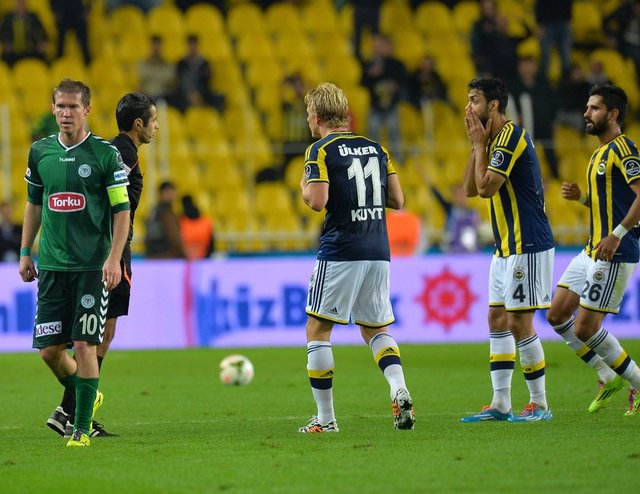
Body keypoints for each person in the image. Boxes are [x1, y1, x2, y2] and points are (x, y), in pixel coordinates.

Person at [19, 78, 130, 447]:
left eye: (73, 106)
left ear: (87, 110)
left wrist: (113, 259)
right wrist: (25, 251)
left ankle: (80, 429)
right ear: (53, 109)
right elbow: (34, 203)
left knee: (83, 344)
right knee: (50, 351)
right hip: (51, 266)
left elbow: (122, 211)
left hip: (90, 267)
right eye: (61, 106)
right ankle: (88, 395)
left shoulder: (104, 155)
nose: (66, 113)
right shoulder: (40, 152)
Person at [298, 82, 415, 433]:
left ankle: (326, 419)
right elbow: (398, 200)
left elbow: (317, 201)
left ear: (317, 116)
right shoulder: (377, 149)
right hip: (378, 250)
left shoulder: (319, 150)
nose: (308, 119)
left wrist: (303, 189)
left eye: (308, 114)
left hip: (341, 249)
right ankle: (399, 388)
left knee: (318, 330)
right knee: (376, 330)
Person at [46, 92, 159, 438]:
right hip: (110, 253)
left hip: (105, 250)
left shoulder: (115, 150)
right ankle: (71, 411)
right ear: (138, 124)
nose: (157, 127)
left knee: (98, 335)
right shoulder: (123, 154)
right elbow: (104, 199)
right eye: (154, 120)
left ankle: (66, 410)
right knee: (99, 336)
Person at [460, 78, 555, 423]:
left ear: (494, 105)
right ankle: (501, 403)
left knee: (519, 321)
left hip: (527, 244)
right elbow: (469, 189)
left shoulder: (511, 137)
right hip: (504, 248)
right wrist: (476, 146)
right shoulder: (489, 141)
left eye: (474, 100)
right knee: (497, 318)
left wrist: (480, 145)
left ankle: (539, 404)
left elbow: (486, 188)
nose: (468, 107)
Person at [546, 84, 640, 416]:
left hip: (615, 250)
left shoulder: (623, 149)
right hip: (592, 249)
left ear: (613, 114)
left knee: (585, 328)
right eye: (587, 107)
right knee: (557, 314)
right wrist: (582, 198)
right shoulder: (599, 152)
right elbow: (610, 204)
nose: (586, 113)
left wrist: (616, 235)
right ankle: (607, 374)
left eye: (594, 108)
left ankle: (636, 381)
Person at [509, 56, 559, 179]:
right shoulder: (514, 87)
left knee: (549, 152)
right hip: (524, 128)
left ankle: (555, 177)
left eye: (529, 65)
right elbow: (510, 108)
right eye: (524, 65)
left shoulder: (544, 84)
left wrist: (553, 120)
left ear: (535, 67)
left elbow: (553, 104)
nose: (527, 69)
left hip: (544, 126)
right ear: (519, 68)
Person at [360, 33, 408, 162]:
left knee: (394, 130)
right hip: (375, 105)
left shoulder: (396, 64)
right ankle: (373, 158)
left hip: (391, 105)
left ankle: (398, 159)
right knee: (373, 130)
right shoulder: (370, 63)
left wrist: (395, 86)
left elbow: (403, 80)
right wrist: (371, 75)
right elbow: (363, 82)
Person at [173, 34, 224, 113]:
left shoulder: (204, 63)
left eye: (194, 45)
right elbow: (180, 81)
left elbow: (207, 81)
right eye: (190, 45)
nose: (192, 48)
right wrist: (190, 93)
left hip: (202, 93)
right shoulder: (181, 63)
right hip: (185, 94)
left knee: (219, 98)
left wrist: (199, 93)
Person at [144, 181, 185, 259]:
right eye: (168, 192)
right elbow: (173, 236)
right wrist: (183, 254)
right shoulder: (165, 211)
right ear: (161, 193)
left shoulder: (153, 211)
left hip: (151, 254)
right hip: (166, 255)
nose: (172, 195)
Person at [0, 0, 48, 66]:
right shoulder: (8, 18)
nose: (21, 6)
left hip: (31, 50)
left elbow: (42, 33)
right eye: (19, 4)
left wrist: (41, 42)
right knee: (6, 57)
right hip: (13, 51)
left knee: (42, 56)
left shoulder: (33, 17)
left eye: (23, 4)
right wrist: (6, 43)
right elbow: (2, 33)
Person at [534, 0, 573, 78]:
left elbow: (569, 4)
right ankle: (543, 80)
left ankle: (566, 80)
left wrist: (569, 20)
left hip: (563, 23)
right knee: (546, 55)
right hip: (547, 24)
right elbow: (538, 5)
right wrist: (539, 24)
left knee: (566, 55)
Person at [49, 0, 91, 66]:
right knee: (60, 43)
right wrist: (55, 10)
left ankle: (88, 64)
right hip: (63, 13)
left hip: (78, 12)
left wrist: (87, 10)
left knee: (83, 43)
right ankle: (57, 65)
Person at [137, 35, 176, 103]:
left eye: (158, 48)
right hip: (146, 96)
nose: (156, 50)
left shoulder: (168, 66)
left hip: (162, 97)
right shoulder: (143, 64)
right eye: (154, 48)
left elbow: (169, 82)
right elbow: (141, 81)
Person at [179, 194, 214, 260]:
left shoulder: (180, 222)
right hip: (203, 258)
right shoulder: (207, 222)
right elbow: (211, 245)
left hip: (186, 259)